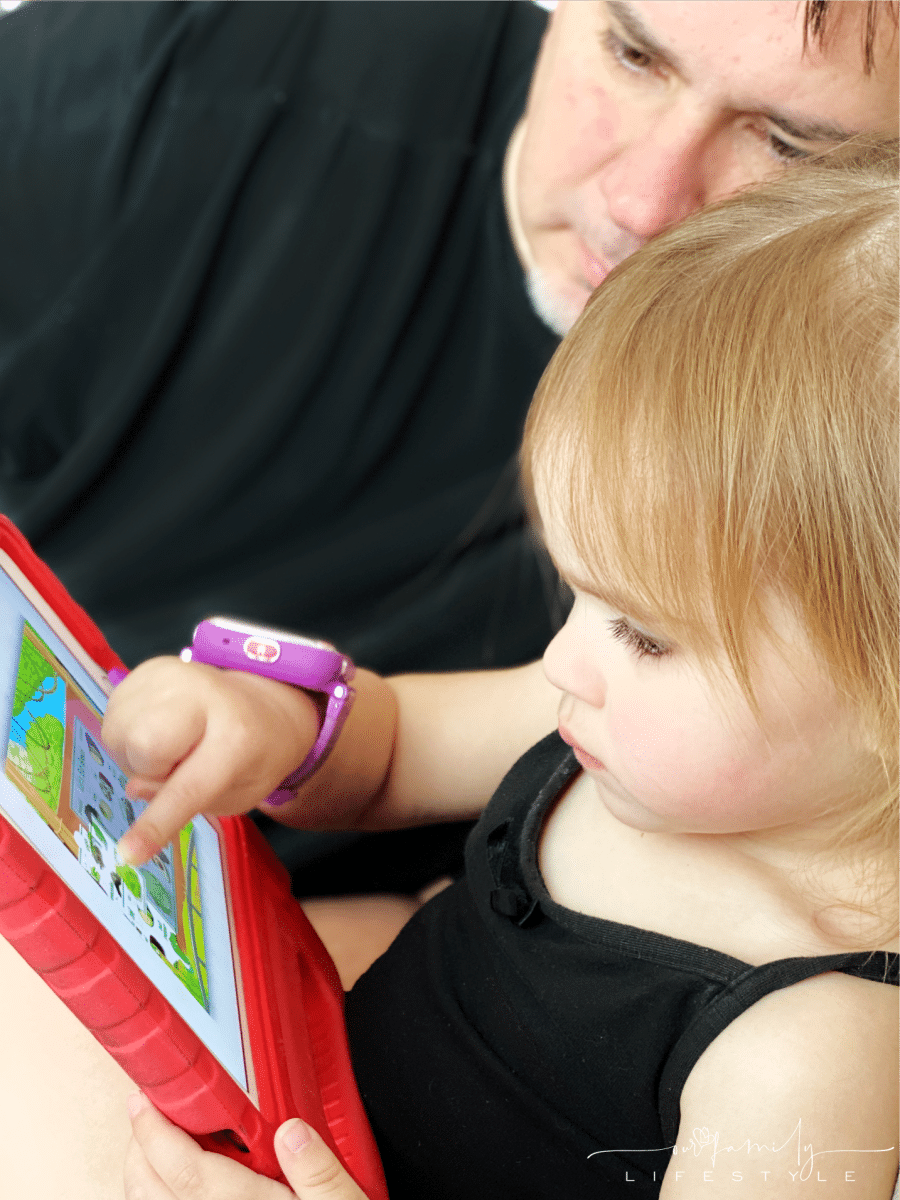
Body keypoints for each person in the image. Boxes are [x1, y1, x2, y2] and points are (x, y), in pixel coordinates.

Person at [103, 139, 899, 1199]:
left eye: (647, 635)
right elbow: (387, 756)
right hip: (326, 1057)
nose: (568, 656)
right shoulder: (597, 710)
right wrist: (264, 723)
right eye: (580, 594)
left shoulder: (811, 1053)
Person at [3, 0, 895, 898]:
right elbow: (394, 747)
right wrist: (278, 719)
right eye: (632, 55)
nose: (642, 203)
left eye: (790, 145)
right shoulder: (187, 78)